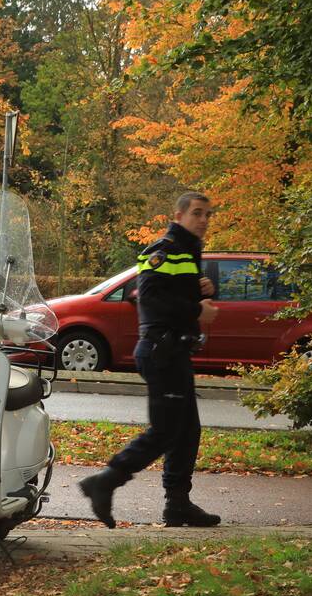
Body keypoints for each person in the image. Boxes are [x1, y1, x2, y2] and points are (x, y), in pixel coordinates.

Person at [79, 192, 221, 528]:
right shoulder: (164, 248)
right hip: (161, 351)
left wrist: (200, 290)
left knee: (187, 431)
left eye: (208, 214)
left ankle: (177, 504)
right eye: (197, 213)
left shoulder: (187, 250)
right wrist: (196, 308)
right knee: (166, 430)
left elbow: (170, 292)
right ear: (179, 215)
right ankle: (106, 480)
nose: (203, 220)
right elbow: (150, 299)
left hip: (174, 350)